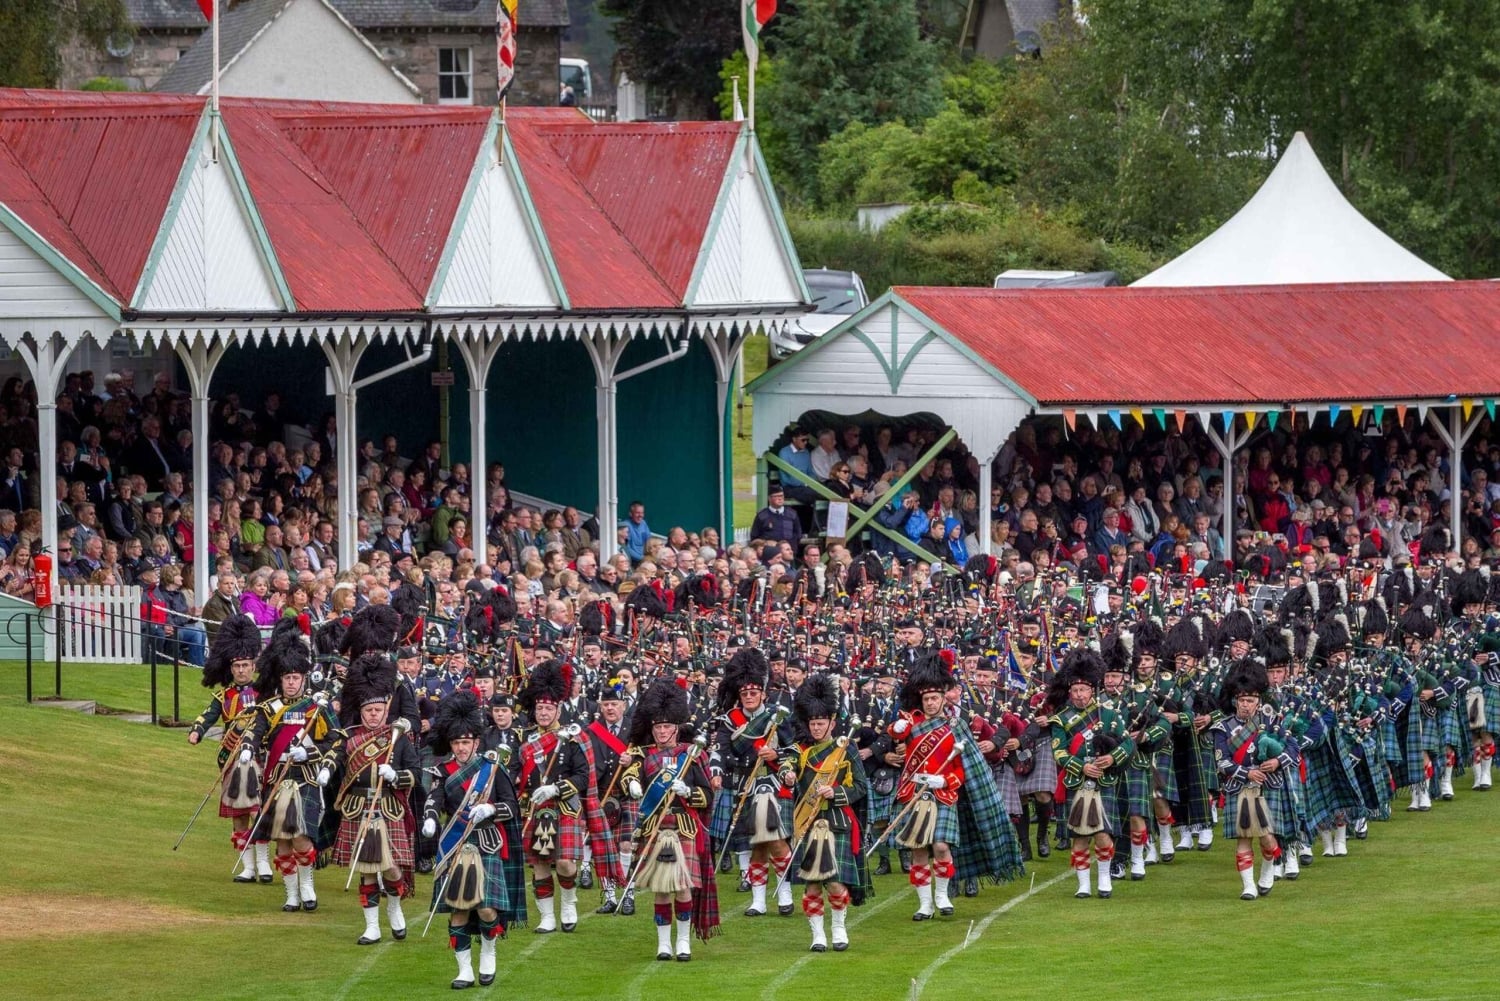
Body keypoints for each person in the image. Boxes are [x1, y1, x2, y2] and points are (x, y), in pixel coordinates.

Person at [887, 652, 1024, 919]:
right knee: (918, 850)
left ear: (943, 699)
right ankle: (924, 904)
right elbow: (896, 732)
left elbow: (966, 768)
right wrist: (896, 727)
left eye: (934, 698)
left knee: (940, 846)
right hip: (915, 793)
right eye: (926, 699)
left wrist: (945, 780)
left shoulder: (955, 725)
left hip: (944, 793)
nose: (930, 703)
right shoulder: (911, 722)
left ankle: (942, 896)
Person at [422, 691, 527, 990]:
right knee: (459, 908)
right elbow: (434, 800)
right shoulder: (442, 772)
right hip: (456, 846)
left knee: (485, 908)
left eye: (466, 742)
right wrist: (430, 818)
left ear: (476, 742)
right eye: (456, 743)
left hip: (486, 842)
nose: (461, 748)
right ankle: (464, 971)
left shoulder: (492, 768)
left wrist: (490, 809)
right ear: (451, 744)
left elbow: (512, 806)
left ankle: (489, 954)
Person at [239, 620, 338, 914]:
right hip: (276, 778)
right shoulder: (269, 708)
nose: (292, 682)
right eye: (287, 678)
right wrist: (247, 748)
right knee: (281, 839)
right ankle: (291, 893)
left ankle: (307, 886)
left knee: (301, 835)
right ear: (280, 680)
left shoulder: (316, 706)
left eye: (296, 677)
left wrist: (311, 754)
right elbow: (254, 733)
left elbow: (336, 740)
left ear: (303, 678)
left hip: (304, 776)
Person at [621, 678, 719, 960]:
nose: (662, 731)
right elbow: (630, 777)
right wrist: (632, 785)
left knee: (683, 887)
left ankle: (683, 942)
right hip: (655, 826)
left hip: (683, 827)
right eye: (658, 727)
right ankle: (664, 944)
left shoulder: (691, 755)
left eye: (667, 727)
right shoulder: (644, 755)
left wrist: (689, 792)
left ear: (677, 728)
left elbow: (708, 795)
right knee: (662, 889)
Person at [329, 653, 420, 945]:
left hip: (388, 807)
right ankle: (372, 927)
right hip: (358, 807)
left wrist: (395, 775)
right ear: (362, 710)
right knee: (368, 869)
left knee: (391, 866)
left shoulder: (399, 737)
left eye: (379, 710)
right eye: (369, 710)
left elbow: (415, 774)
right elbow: (337, 761)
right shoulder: (350, 737)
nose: (373, 715)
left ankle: (394, 906)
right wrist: (324, 767)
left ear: (386, 710)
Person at [782, 673, 870, 952]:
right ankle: (817, 935)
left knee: (834, 883)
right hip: (807, 822)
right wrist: (787, 775)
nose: (816, 728)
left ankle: (839, 927)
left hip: (836, 821)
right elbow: (788, 764)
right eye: (813, 723)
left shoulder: (846, 748)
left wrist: (836, 794)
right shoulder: (800, 749)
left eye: (821, 723)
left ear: (832, 722)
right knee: (811, 885)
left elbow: (861, 786)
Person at [708, 647, 795, 916]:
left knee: (777, 840)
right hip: (743, 786)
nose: (748, 697)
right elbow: (719, 750)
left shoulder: (776, 716)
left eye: (753, 693)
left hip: (772, 783)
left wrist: (775, 754)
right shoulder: (729, 721)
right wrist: (716, 771)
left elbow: (793, 749)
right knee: (755, 844)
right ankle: (758, 899)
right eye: (744, 693)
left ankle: (784, 893)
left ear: (763, 694)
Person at [187, 615, 269, 883]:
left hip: (259, 757)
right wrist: (197, 731)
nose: (242, 670)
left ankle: (264, 862)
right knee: (239, 813)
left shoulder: (265, 694)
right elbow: (207, 716)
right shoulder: (223, 697)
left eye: (246, 665)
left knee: (259, 809)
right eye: (237, 666)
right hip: (231, 759)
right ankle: (248, 866)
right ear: (230, 668)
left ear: (254, 666)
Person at [1048, 649, 1134, 899]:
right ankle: (1083, 884)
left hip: (1103, 782)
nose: (1079, 695)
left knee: (1104, 835)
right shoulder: (1061, 720)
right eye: (1074, 691)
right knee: (1079, 836)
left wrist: (1110, 758)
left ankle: (1104, 878)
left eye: (1083, 690)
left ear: (1091, 690)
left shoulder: (1109, 714)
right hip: (1078, 782)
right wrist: (1082, 766)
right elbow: (1059, 753)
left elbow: (1128, 745)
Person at [1211, 659, 1295, 900]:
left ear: (1259, 702)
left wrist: (1277, 762)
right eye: (1242, 700)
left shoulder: (1272, 723)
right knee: (1244, 837)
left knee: (1268, 838)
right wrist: (1246, 773)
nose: (1246, 705)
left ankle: (1269, 868)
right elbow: (1222, 762)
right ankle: (1248, 886)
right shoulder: (1223, 728)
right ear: (1235, 700)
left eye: (1251, 700)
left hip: (1268, 787)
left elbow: (1293, 750)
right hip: (1239, 787)